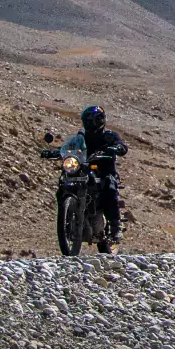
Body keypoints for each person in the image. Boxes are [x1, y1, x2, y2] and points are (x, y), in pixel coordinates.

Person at [57, 105, 128, 251]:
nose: (90, 124)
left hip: (103, 172)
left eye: (93, 120)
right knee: (63, 185)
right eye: (87, 120)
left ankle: (115, 225)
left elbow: (121, 146)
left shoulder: (109, 136)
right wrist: (56, 152)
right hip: (83, 171)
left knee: (109, 186)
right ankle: (66, 218)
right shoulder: (80, 137)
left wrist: (117, 148)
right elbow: (70, 148)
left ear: (100, 120)